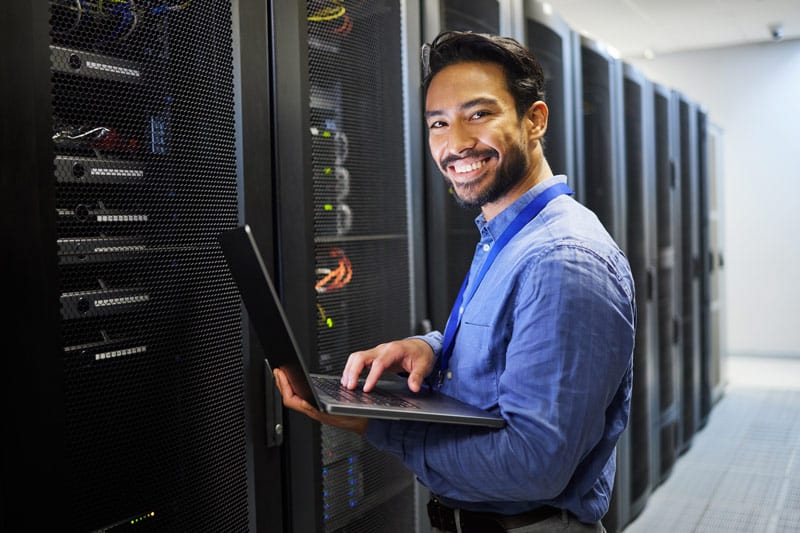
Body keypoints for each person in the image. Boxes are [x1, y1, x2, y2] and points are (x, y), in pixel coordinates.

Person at [274, 31, 635, 533]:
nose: (456, 143)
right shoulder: (508, 236)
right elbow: (514, 345)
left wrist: (379, 424)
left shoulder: (562, 261)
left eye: (479, 114)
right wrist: (429, 347)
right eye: (438, 123)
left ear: (535, 120)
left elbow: (535, 466)